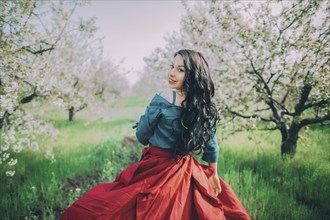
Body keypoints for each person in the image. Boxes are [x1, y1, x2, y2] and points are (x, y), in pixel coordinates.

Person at [60, 49, 250, 220]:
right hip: (187, 169)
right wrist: (213, 173)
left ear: (192, 75)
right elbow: (211, 145)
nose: (172, 73)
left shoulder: (163, 99)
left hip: (156, 166)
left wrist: (152, 110)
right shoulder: (202, 106)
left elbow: (142, 137)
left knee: (115, 206)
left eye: (180, 69)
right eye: (172, 67)